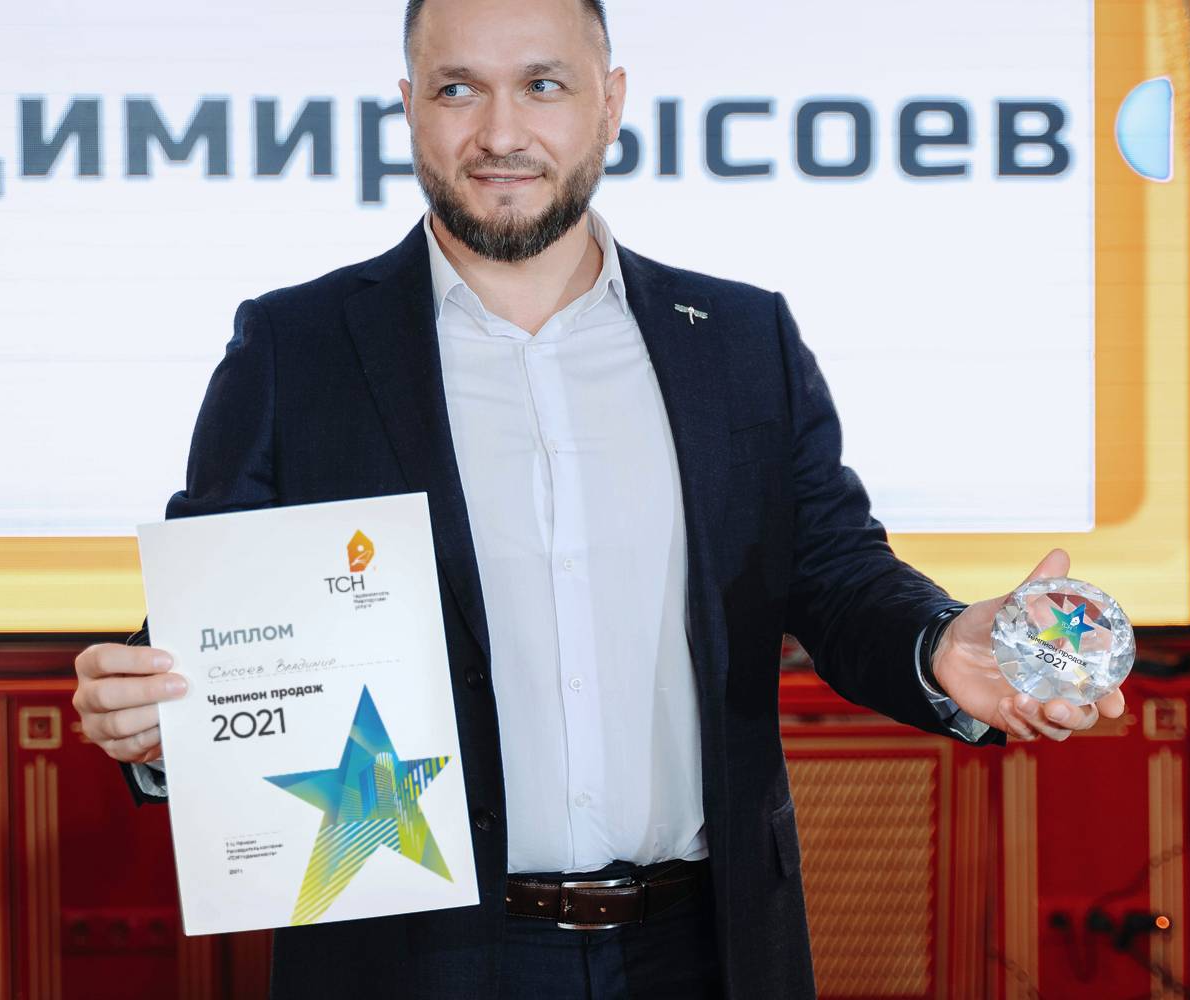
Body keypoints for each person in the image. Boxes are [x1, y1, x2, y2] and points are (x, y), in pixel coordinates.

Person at [70, 0, 1127, 996]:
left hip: (704, 949)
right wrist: (157, 713)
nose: (500, 133)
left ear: (611, 102)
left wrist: (940, 644)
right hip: (414, 955)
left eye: (543, 85)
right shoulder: (294, 349)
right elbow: (221, 619)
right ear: (407, 108)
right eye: (456, 89)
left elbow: (837, 575)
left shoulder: (741, 341)